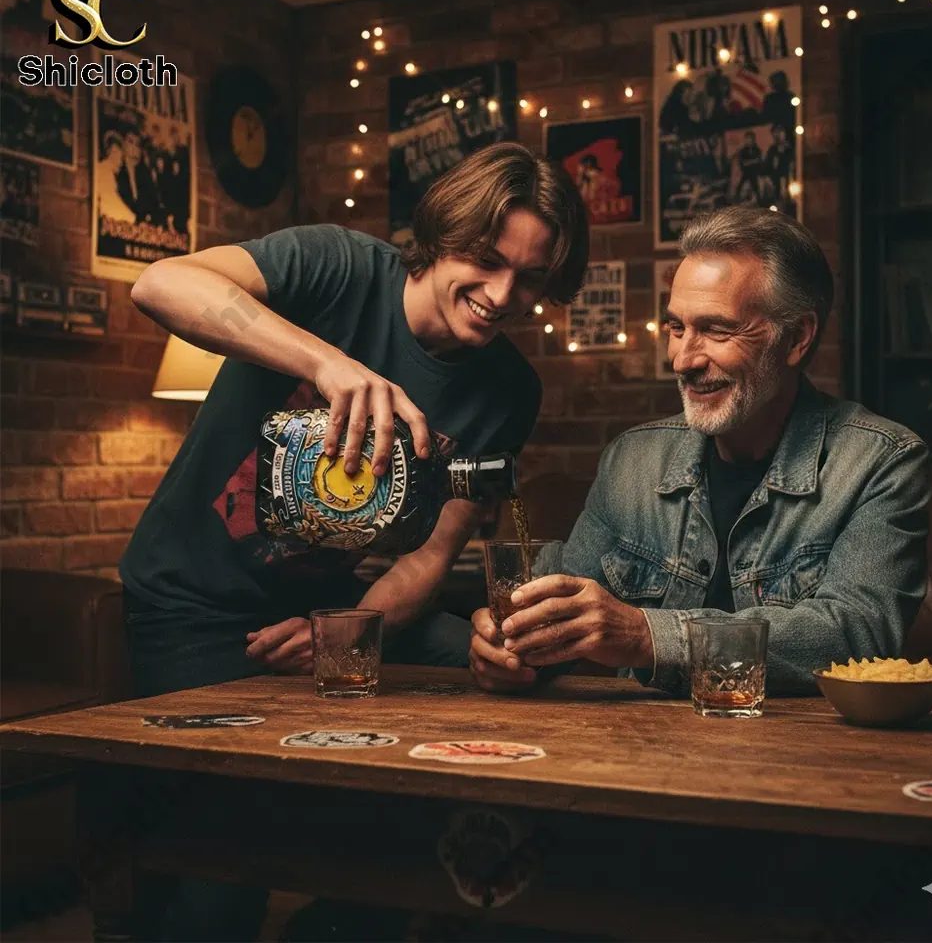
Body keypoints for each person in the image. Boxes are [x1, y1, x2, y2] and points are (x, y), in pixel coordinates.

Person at [119, 142, 587, 940]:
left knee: (520, 680)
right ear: (443, 235)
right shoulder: (337, 266)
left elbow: (429, 556)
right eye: (485, 260)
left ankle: (368, 908)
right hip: (190, 604)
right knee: (227, 873)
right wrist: (331, 365)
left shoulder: (511, 389)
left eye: (531, 277)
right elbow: (159, 283)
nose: (503, 295)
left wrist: (347, 634)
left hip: (335, 612)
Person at [469, 205, 930, 697]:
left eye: (716, 329)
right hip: (641, 741)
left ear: (796, 338)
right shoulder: (632, 459)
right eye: (676, 328)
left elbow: (856, 634)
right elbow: (565, 616)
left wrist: (648, 636)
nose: (682, 359)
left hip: (799, 741)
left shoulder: (881, 461)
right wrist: (514, 650)